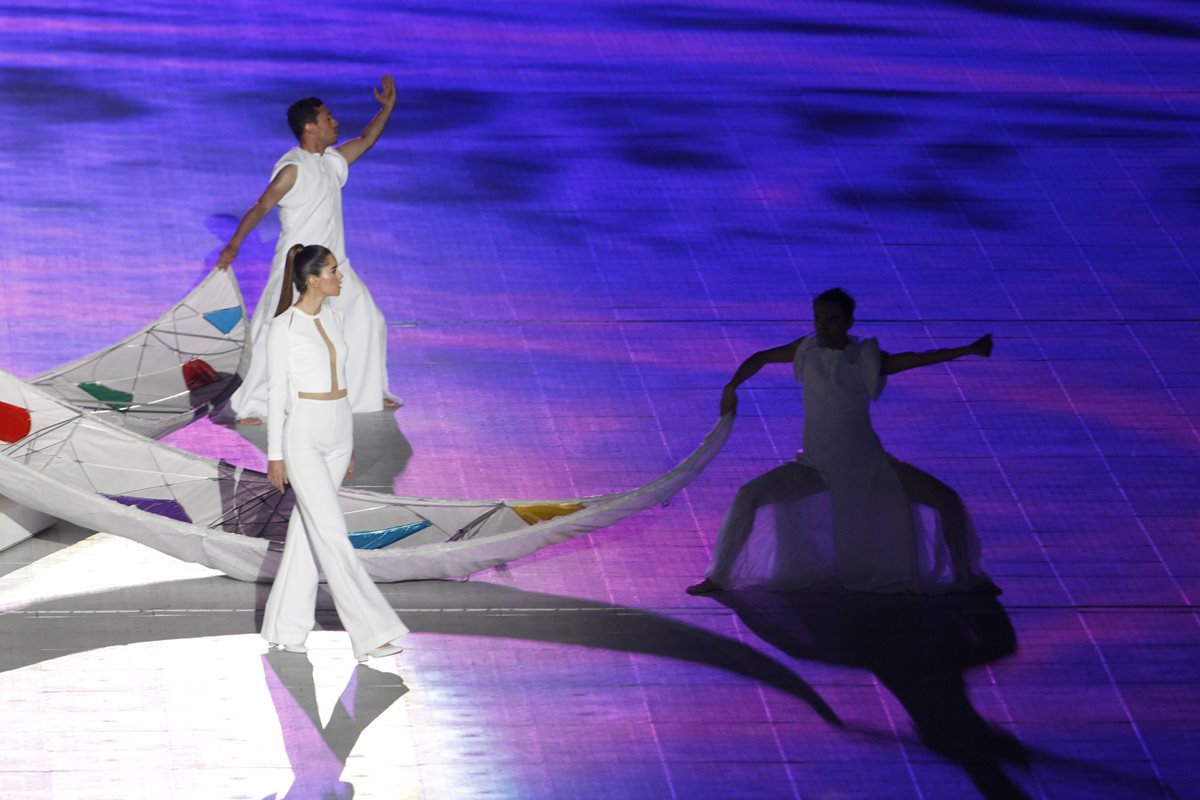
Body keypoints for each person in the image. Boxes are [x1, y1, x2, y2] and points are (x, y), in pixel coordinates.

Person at [688, 288, 998, 596]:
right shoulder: (806, 349)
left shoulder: (864, 358)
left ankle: (967, 577)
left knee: (947, 501)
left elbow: (915, 359)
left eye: (832, 320)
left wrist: (967, 350)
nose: (822, 326)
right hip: (815, 467)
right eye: (818, 319)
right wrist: (732, 386)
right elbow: (761, 358)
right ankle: (719, 578)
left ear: (849, 322)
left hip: (869, 469)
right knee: (748, 496)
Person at [218, 76, 401, 424]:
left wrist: (387, 108)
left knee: (368, 321)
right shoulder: (292, 169)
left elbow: (366, 139)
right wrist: (234, 244)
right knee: (278, 331)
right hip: (298, 266)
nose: (335, 122)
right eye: (327, 118)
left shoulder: (330, 161)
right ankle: (253, 402)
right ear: (309, 127)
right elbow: (261, 206)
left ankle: (364, 390)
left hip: (334, 264)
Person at [260, 243, 408, 663]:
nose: (339, 277)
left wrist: (351, 443)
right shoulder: (284, 328)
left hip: (339, 432)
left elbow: (342, 383)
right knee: (332, 536)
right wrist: (275, 455)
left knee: (307, 536)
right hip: (303, 435)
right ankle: (371, 633)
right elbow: (275, 396)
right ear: (312, 280)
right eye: (332, 271)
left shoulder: (335, 315)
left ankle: (285, 630)